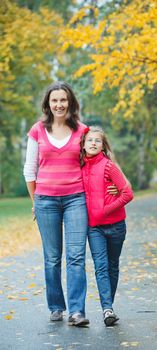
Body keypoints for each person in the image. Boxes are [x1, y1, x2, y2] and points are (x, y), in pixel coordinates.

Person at [23, 81, 91, 326]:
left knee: (76, 256)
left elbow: (94, 164)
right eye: (55, 100)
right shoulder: (37, 130)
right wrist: (35, 202)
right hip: (46, 202)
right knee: (52, 258)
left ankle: (76, 311)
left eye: (63, 100)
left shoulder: (83, 131)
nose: (59, 104)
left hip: (76, 199)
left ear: (70, 102)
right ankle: (56, 306)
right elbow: (29, 170)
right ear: (48, 104)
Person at [80, 126, 134, 326]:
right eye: (89, 140)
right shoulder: (79, 167)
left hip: (116, 226)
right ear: (83, 145)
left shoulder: (109, 166)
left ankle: (108, 304)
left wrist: (106, 209)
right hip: (94, 229)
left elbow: (128, 194)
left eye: (97, 140)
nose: (93, 143)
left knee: (112, 266)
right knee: (101, 267)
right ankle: (107, 309)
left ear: (103, 146)